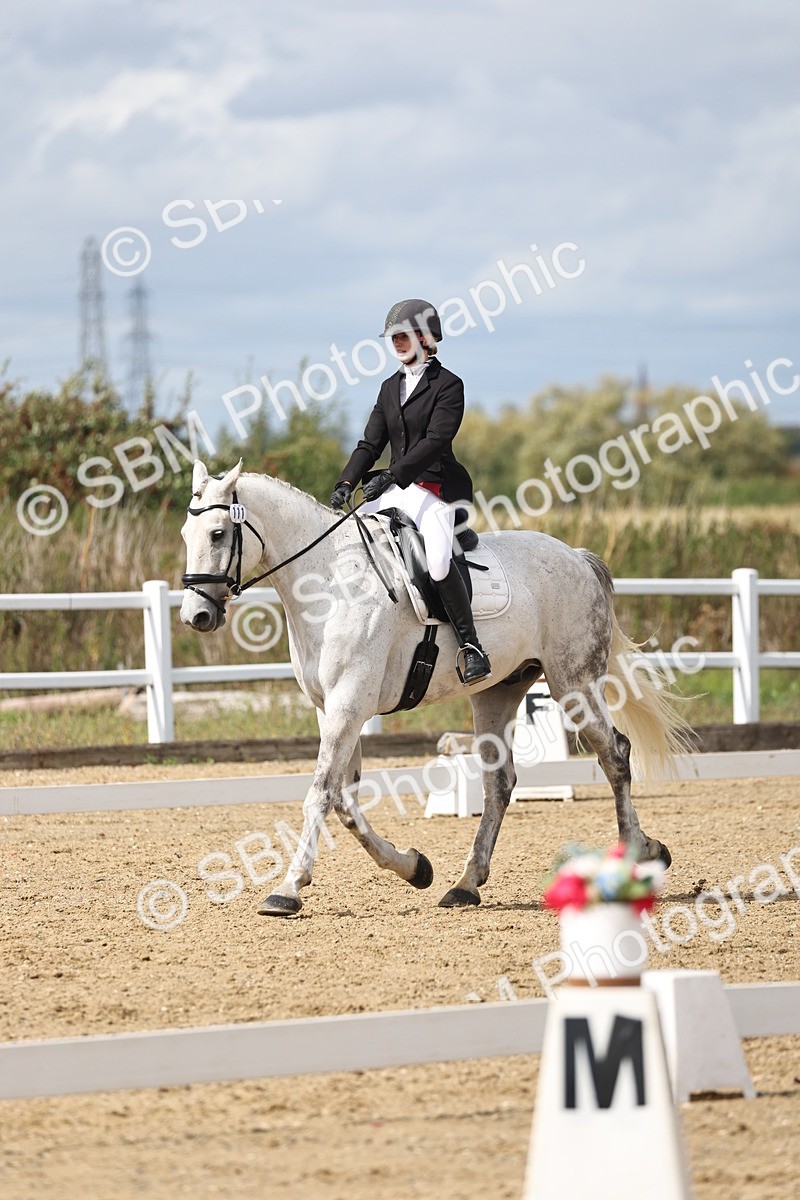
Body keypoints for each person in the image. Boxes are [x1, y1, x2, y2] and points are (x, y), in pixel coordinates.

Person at [330, 298, 492, 685]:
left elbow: (436, 440)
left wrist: (393, 476)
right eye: (393, 337)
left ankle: (471, 647)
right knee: (352, 545)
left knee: (437, 563)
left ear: (425, 337)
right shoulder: (389, 388)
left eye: (404, 336)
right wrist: (346, 481)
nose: (397, 343)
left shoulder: (449, 385)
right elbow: (370, 444)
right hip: (394, 488)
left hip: (434, 488)